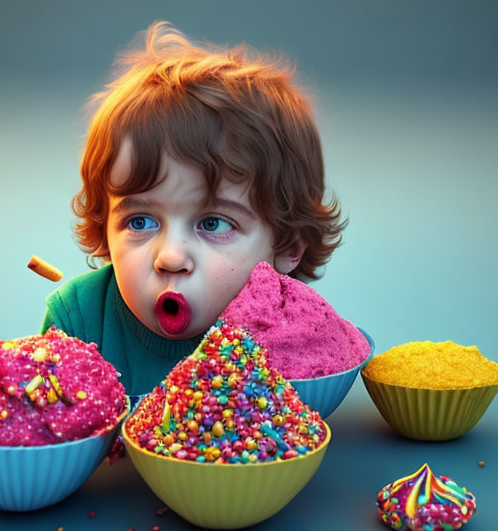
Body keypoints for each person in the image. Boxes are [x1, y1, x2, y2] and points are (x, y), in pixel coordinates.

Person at [41, 21, 345, 396]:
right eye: (140, 220)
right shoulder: (77, 324)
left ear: (288, 246)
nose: (170, 257)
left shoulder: (293, 333)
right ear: (105, 227)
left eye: (214, 224)